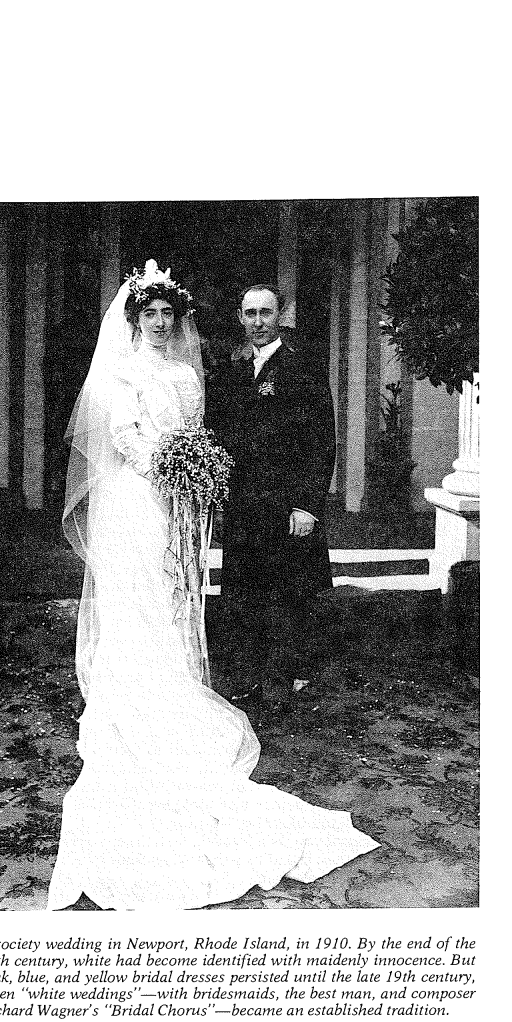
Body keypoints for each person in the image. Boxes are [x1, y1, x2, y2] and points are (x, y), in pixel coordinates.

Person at [47, 260, 377, 911]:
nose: (163, 324)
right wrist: (167, 469)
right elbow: (122, 435)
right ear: (136, 319)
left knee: (179, 595)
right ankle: (133, 697)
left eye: (170, 314)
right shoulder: (121, 372)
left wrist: (192, 473)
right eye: (152, 315)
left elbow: (218, 430)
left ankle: (227, 679)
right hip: (137, 497)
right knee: (140, 594)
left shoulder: (193, 371)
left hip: (182, 501)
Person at [203, 284, 335, 721]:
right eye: (249, 313)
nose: (257, 321)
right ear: (240, 317)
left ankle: (282, 682)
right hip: (243, 503)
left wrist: (307, 504)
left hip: (286, 504)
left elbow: (321, 441)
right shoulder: (231, 370)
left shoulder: (302, 368)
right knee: (244, 591)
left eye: (266, 312)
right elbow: (219, 438)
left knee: (288, 591)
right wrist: (219, 499)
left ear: (280, 316)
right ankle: (250, 678)